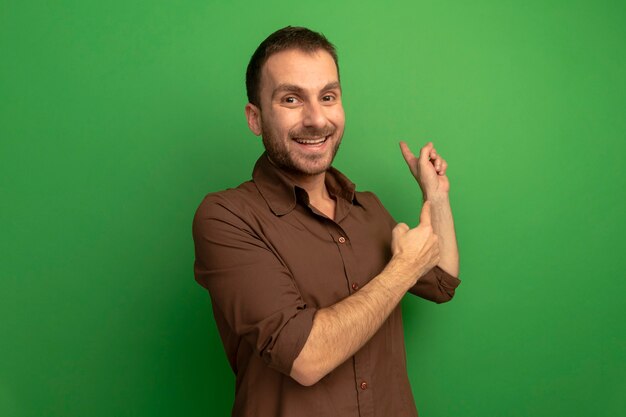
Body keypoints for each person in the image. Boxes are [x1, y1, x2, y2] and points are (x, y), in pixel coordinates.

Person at [192, 26, 460, 417]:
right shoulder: (228, 217)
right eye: (291, 98)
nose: (316, 119)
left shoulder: (368, 209)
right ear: (255, 118)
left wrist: (436, 197)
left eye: (328, 97)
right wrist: (402, 269)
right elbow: (304, 358)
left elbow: (441, 281)